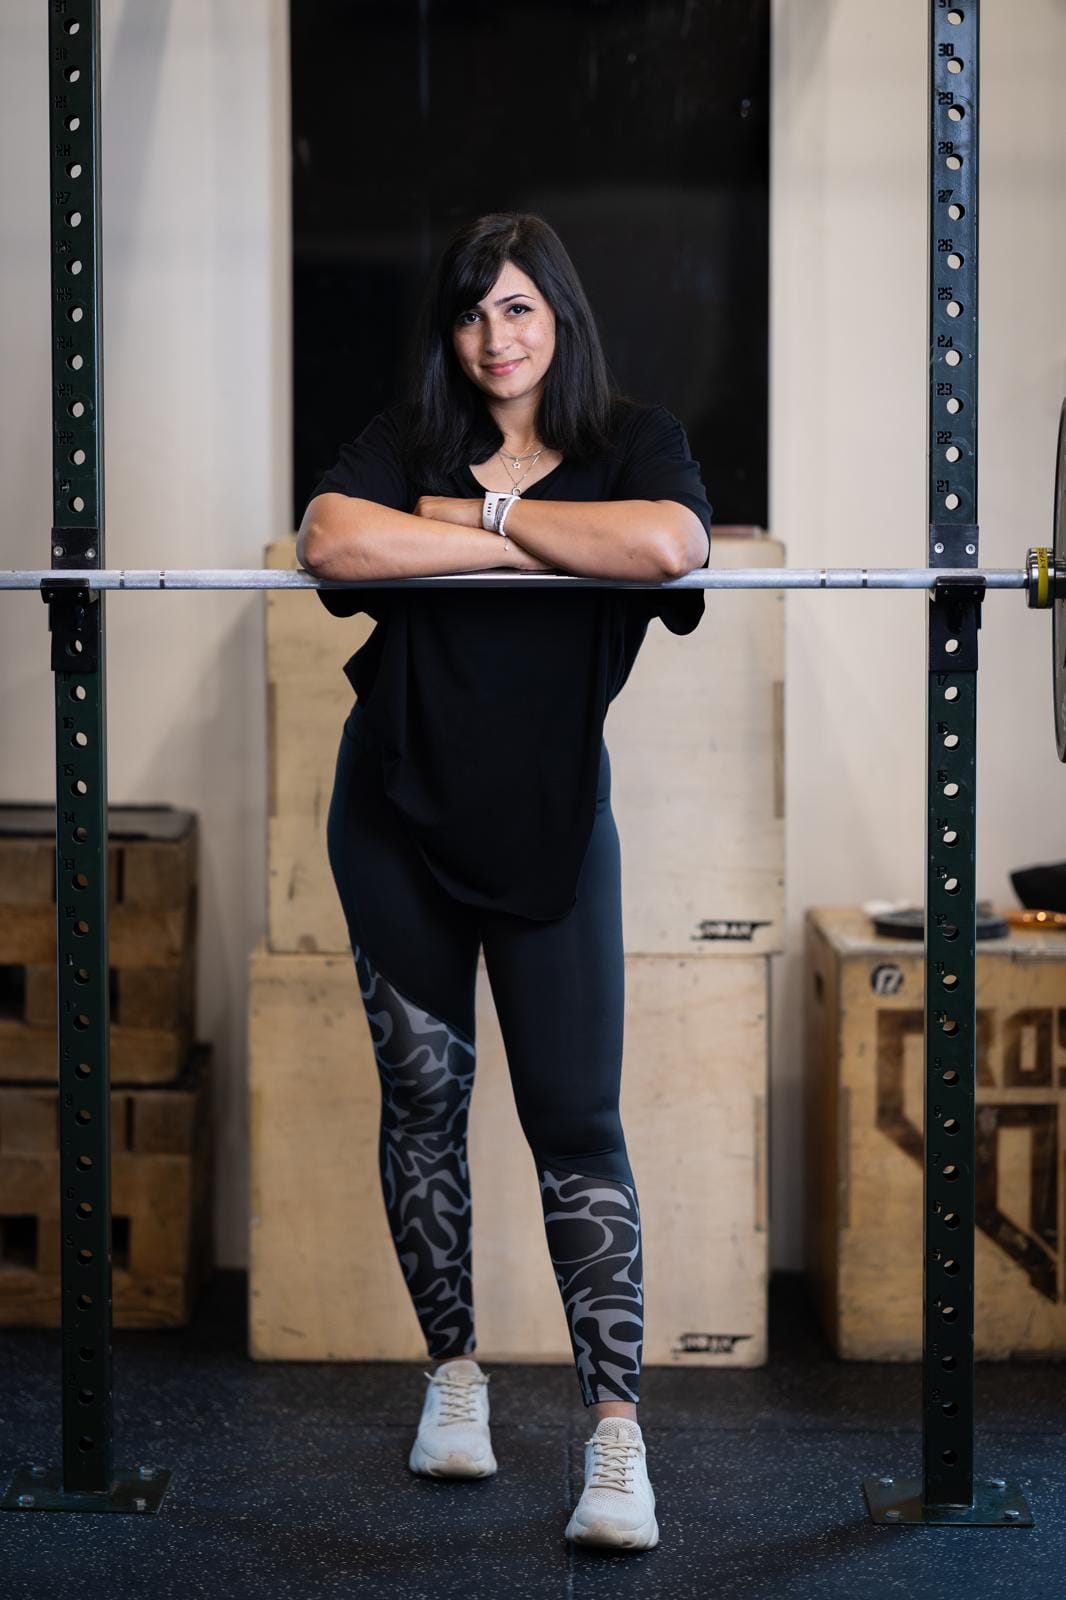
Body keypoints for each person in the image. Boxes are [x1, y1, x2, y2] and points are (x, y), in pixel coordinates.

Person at [296, 211, 711, 1552]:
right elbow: (331, 544)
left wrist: (472, 520)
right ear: (451, 330)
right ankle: (456, 1384)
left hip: (547, 827)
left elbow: (667, 549)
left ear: (561, 320)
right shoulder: (401, 440)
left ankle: (613, 1443)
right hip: (391, 813)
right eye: (475, 312)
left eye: (521, 308)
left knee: (574, 1123)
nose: (497, 336)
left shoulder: (629, 440)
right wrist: (530, 535)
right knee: (424, 1098)